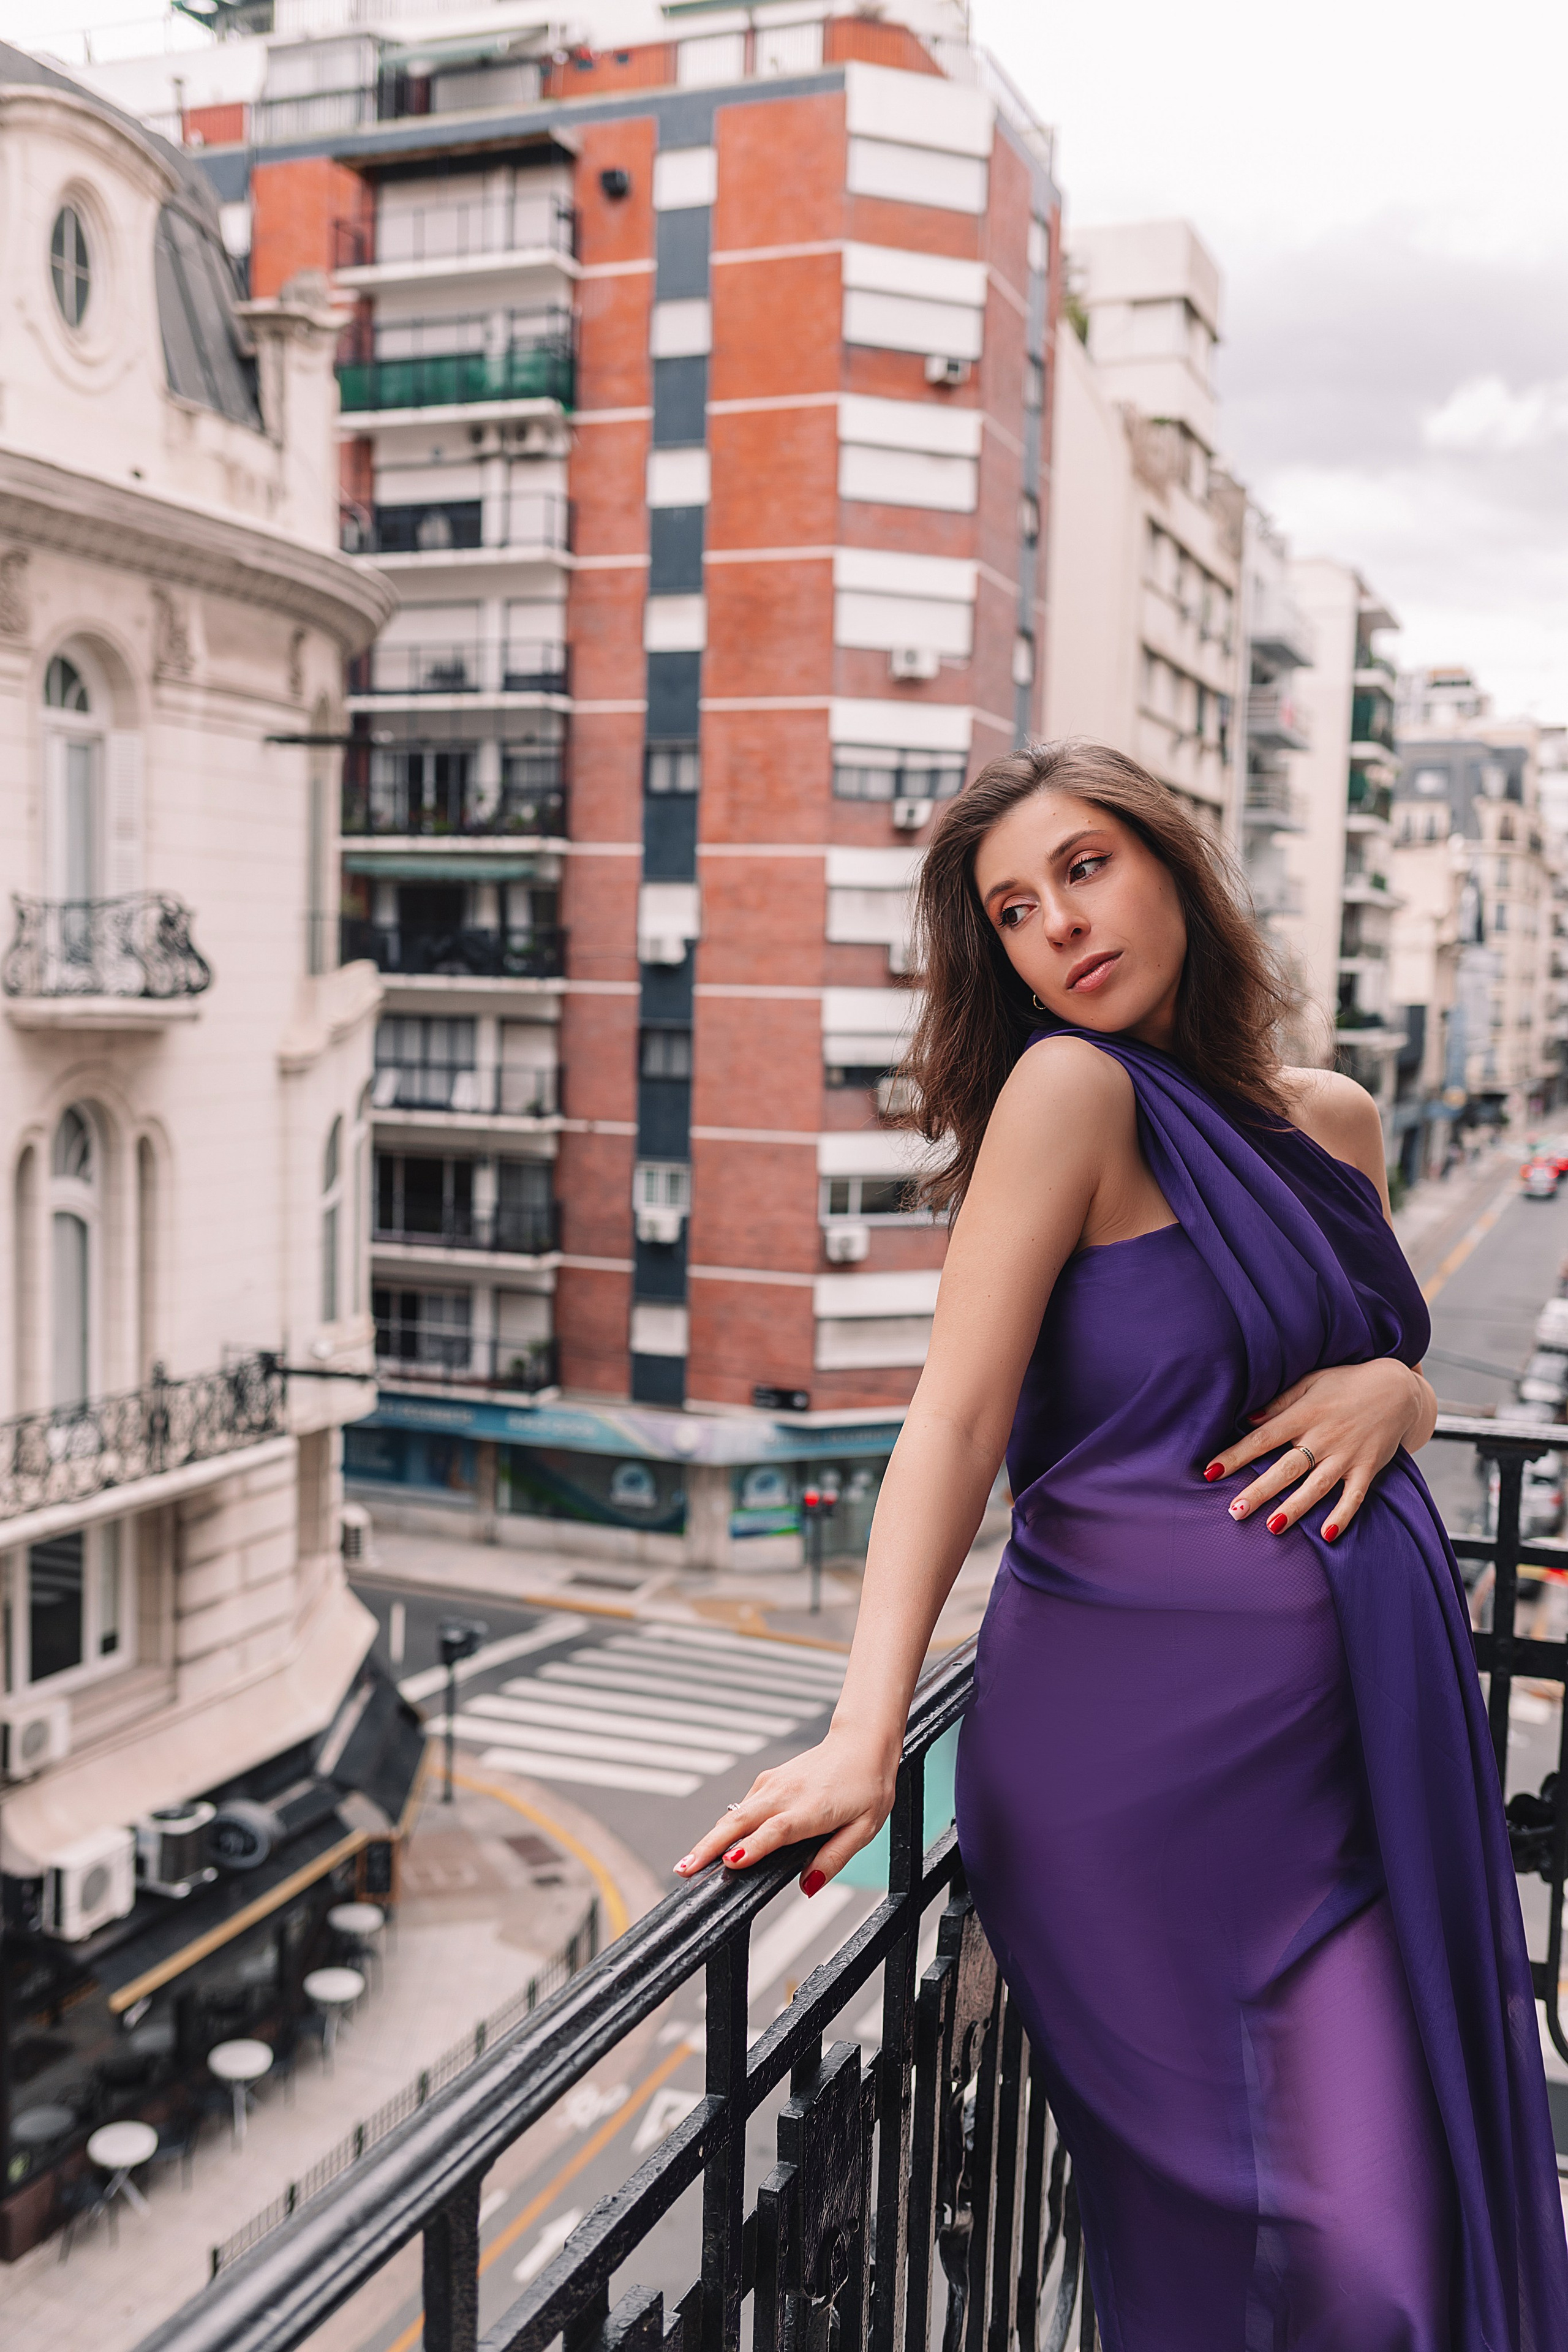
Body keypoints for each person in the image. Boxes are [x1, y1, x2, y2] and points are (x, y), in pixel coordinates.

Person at [675, 743, 1568, 2348]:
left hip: (1352, 1762)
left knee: (1400, 2224)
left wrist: (1404, 1392)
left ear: (1172, 866)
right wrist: (864, 1737)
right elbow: (954, 1424)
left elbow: (1361, 1362)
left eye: (1083, 868)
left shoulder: (1336, 1120)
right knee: (1309, 2251)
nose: (1060, 927)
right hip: (1127, 1782)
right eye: (1014, 912)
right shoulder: (1069, 1094)